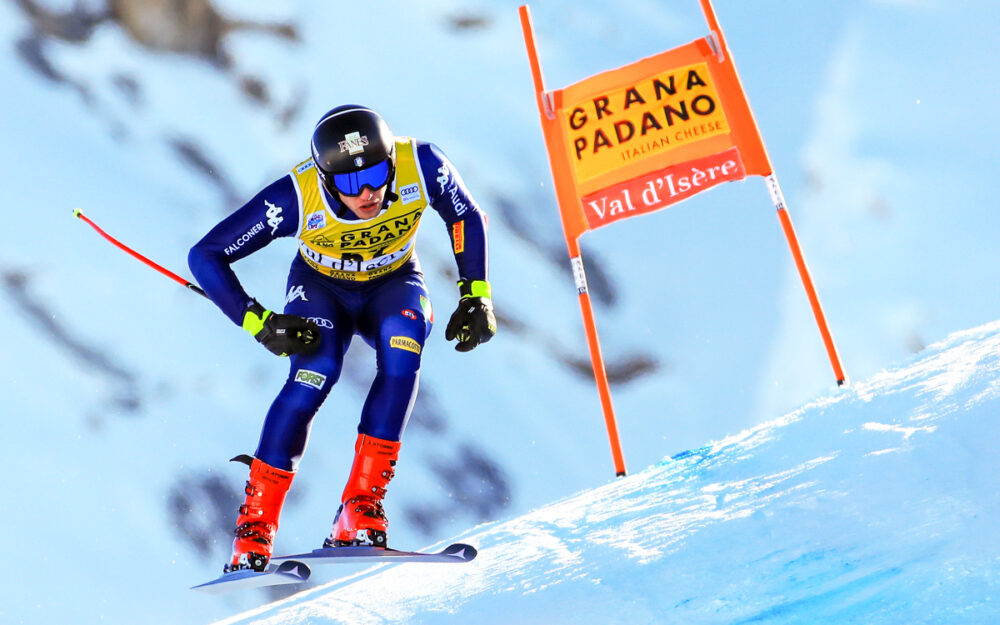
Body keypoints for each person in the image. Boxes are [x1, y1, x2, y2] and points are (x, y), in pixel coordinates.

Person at [188, 105, 496, 573]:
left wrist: (476, 293)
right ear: (327, 179)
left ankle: (360, 507)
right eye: (351, 184)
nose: (368, 192)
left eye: (376, 175)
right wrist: (258, 322)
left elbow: (466, 216)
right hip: (321, 291)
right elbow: (205, 255)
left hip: (393, 282)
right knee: (318, 369)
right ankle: (254, 530)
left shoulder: (423, 164)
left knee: (403, 343)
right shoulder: (296, 196)